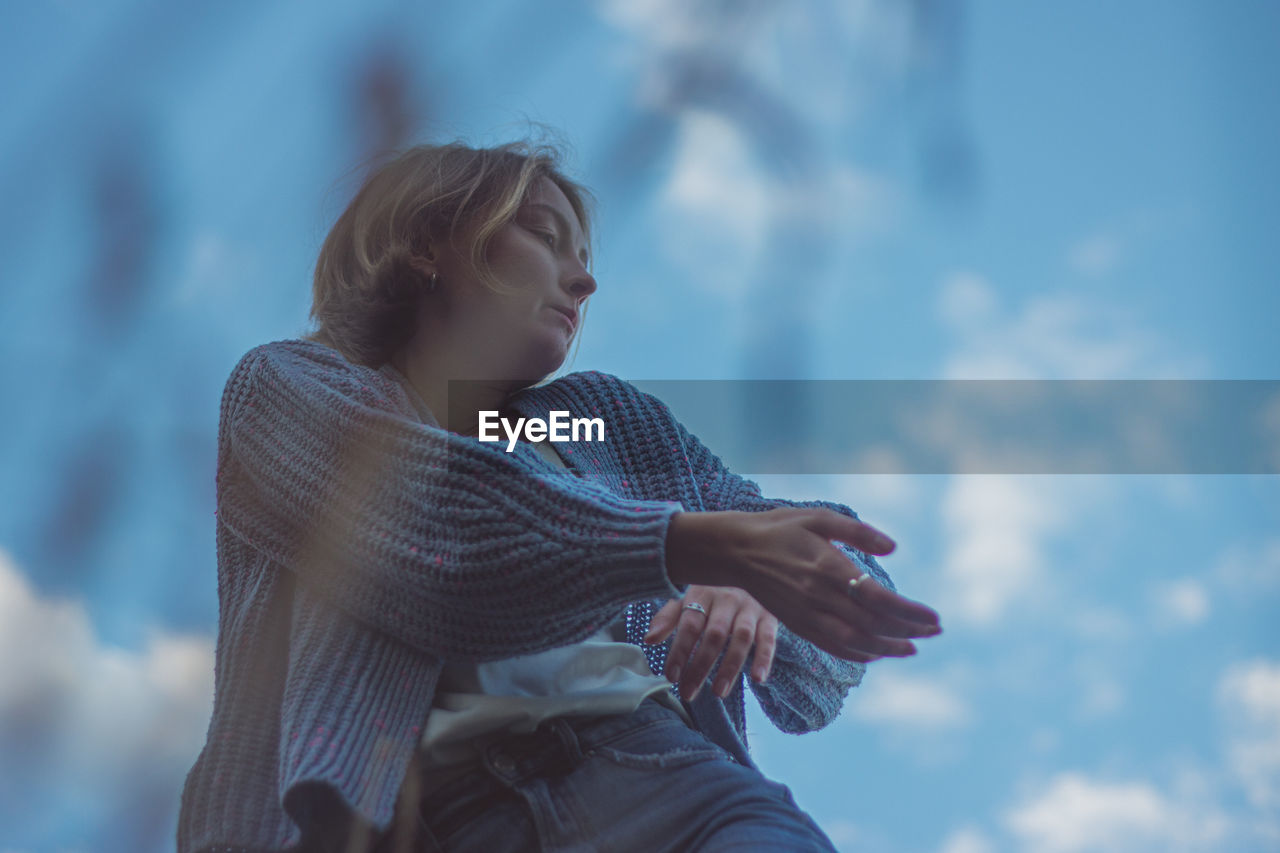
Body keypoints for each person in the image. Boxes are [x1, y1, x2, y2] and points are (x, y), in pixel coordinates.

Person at [177, 138, 942, 852]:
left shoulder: (606, 421)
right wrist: (693, 546)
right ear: (424, 245)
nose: (583, 279)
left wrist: (753, 583)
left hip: (673, 788)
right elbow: (436, 532)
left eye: (583, 255)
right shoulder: (287, 388)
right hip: (421, 821)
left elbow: (836, 570)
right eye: (545, 237)